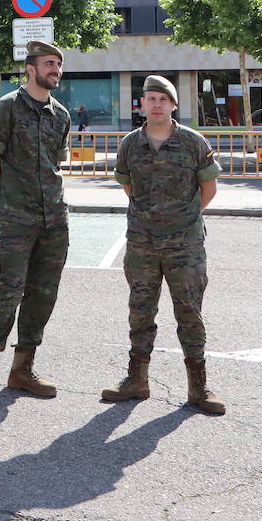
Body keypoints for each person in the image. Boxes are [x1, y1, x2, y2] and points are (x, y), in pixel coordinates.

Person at [102, 75, 225, 414]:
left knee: (189, 312)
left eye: (162, 99)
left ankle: (198, 388)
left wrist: (180, 219)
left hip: (184, 244)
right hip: (142, 243)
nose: (155, 104)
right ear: (142, 104)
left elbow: (209, 190)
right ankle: (136, 381)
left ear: (173, 105)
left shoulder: (193, 142)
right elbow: (128, 187)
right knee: (140, 311)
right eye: (150, 99)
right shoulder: (130, 144)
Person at [0, 41, 71, 403]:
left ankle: (22, 371)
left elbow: (57, 163)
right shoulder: (8, 107)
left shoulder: (60, 114)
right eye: (48, 64)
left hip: (54, 219)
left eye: (58, 64)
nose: (55, 70)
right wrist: (5, 198)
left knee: (43, 296)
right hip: (17, 218)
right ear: (31, 68)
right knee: (8, 294)